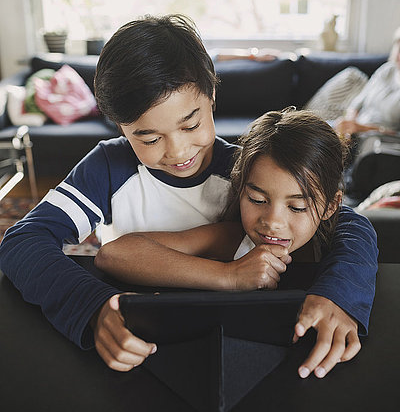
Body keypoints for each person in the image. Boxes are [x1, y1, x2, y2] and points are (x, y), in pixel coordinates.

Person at [0, 15, 377, 378]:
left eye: (191, 124)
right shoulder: (109, 167)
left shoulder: (246, 171)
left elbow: (351, 223)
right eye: (149, 138)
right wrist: (92, 306)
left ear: (211, 94)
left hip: (235, 344)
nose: (178, 151)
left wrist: (340, 294)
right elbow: (22, 241)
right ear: (121, 127)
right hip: (140, 339)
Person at [95, 108, 373, 379]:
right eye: (257, 200)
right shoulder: (232, 239)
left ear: (331, 206)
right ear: (239, 189)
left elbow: (358, 228)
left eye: (297, 207)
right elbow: (113, 254)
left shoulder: (339, 256)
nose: (273, 221)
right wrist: (230, 274)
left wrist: (339, 295)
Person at [335, 30, 400, 136]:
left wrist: (363, 128)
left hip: (377, 140)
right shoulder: (387, 69)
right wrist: (349, 125)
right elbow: (356, 104)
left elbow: (397, 135)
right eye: (398, 47)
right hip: (354, 131)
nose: (398, 54)